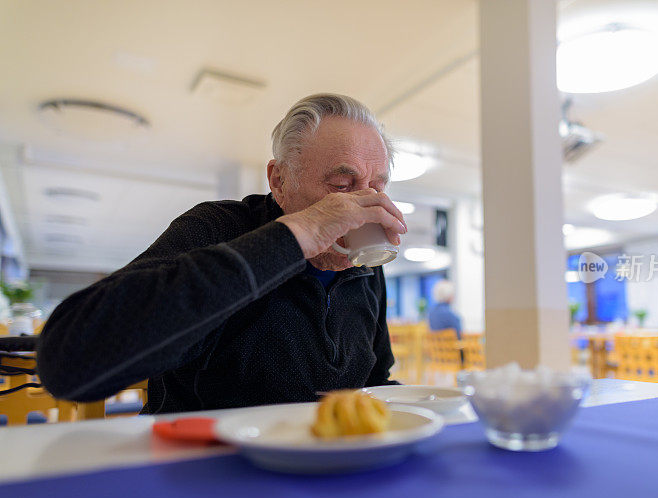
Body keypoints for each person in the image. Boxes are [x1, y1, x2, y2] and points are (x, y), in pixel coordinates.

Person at [36, 94, 408, 413]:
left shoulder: (364, 267)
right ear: (279, 180)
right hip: (205, 469)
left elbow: (374, 380)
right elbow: (68, 363)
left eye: (376, 187)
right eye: (342, 186)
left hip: (330, 464)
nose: (362, 205)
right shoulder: (218, 228)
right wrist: (301, 234)